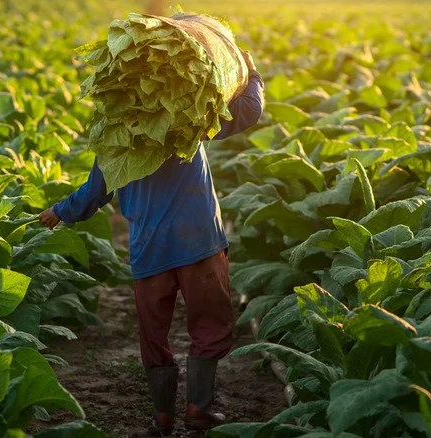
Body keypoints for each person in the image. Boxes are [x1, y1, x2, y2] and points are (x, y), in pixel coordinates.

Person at [39, 52, 264, 435]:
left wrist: (59, 211)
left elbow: (95, 191)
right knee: (209, 325)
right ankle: (198, 408)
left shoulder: (116, 135)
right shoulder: (188, 116)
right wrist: (250, 71)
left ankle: (162, 416)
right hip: (199, 242)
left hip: (149, 247)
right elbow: (247, 111)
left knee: (153, 332)